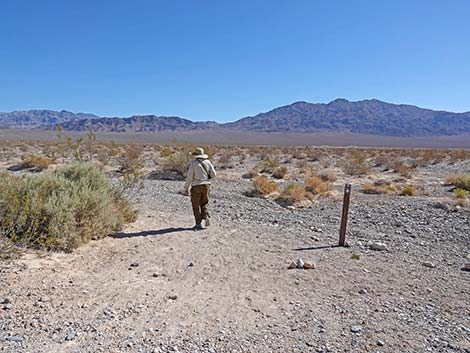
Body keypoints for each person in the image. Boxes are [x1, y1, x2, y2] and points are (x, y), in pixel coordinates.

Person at [184, 147, 216, 231]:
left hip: (196, 186)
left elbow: (189, 177)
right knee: (204, 202)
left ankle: (198, 224)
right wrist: (208, 180)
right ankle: (205, 216)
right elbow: (214, 174)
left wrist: (186, 188)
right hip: (206, 185)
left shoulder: (193, 163)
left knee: (196, 205)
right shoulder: (208, 162)